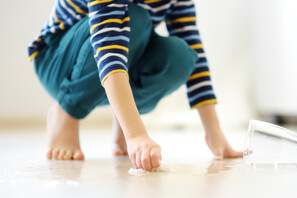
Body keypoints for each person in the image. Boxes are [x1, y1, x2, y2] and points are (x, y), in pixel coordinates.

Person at [28, 0, 243, 171]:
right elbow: (108, 47)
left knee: (182, 56)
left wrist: (213, 130)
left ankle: (123, 117)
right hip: (58, 62)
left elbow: (193, 46)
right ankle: (66, 111)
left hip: (115, 58)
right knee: (134, 18)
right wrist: (136, 134)